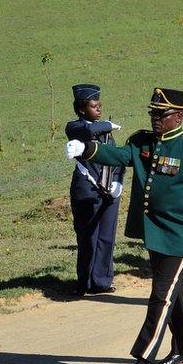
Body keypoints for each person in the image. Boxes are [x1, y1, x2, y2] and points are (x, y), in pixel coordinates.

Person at [64, 88, 183, 364]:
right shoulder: (143, 143)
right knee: (171, 295)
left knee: (160, 296)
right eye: (153, 113)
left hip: (180, 236)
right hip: (154, 232)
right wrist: (86, 150)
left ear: (178, 116)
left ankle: (142, 359)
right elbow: (118, 155)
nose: (155, 119)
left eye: (161, 114)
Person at [65, 84, 124, 297]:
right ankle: (84, 282)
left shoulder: (106, 131)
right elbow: (88, 130)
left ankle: (101, 281)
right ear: (82, 109)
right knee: (88, 236)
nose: (98, 109)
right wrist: (107, 125)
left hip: (109, 189)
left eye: (100, 105)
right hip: (86, 189)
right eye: (93, 106)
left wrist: (119, 182)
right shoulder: (74, 127)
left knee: (106, 237)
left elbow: (118, 158)